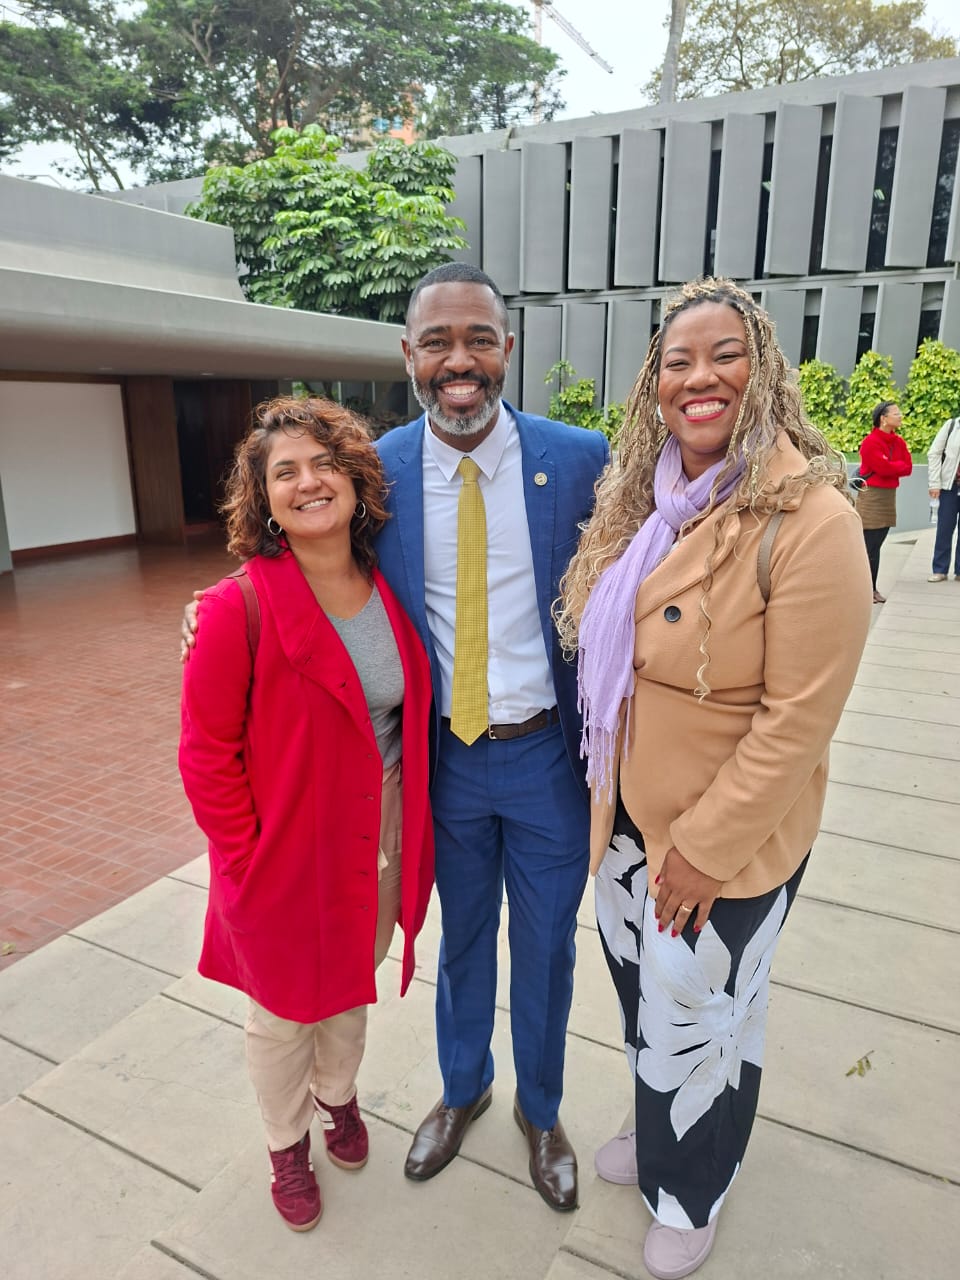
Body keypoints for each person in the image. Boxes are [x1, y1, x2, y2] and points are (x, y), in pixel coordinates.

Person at [182, 264, 609, 1211]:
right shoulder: (377, 470)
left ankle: (542, 1111)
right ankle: (464, 1091)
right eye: (438, 342)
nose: (461, 360)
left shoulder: (581, 458)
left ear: (509, 347)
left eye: (479, 339)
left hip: (545, 757)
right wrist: (205, 615)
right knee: (460, 942)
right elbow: (294, 539)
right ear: (407, 355)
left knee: (546, 947)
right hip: (442, 764)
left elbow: (641, 567)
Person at [556, 278, 872, 1279]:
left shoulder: (810, 518)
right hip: (628, 823)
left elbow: (797, 722)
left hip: (722, 840)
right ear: (657, 386)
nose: (701, 375)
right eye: (678, 360)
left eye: (724, 353)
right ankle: (660, 1137)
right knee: (649, 1002)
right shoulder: (647, 510)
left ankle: (695, 1184)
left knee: (701, 1015)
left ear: (762, 369)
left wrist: (700, 850)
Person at [178, 396, 434, 1232]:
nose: (308, 481)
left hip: (376, 830)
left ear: (355, 480)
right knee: (284, 1011)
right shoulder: (235, 607)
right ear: (265, 500)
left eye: (324, 463)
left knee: (347, 988)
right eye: (285, 472)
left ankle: (340, 1099)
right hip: (281, 844)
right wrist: (246, 861)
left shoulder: (389, 584)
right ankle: (287, 1143)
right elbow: (206, 754)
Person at [854, 400, 912, 603]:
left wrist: (890, 465)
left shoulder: (899, 442)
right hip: (871, 497)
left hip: (888, 498)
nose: (900, 416)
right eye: (896, 413)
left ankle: (871, 589)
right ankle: (866, 590)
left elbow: (908, 467)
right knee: (868, 546)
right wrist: (892, 466)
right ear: (884, 418)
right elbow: (883, 469)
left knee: (877, 545)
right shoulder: (871, 442)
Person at [926, 414, 960, 582]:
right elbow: (934, 453)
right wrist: (934, 483)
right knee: (944, 528)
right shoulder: (952, 425)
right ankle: (940, 569)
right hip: (950, 486)